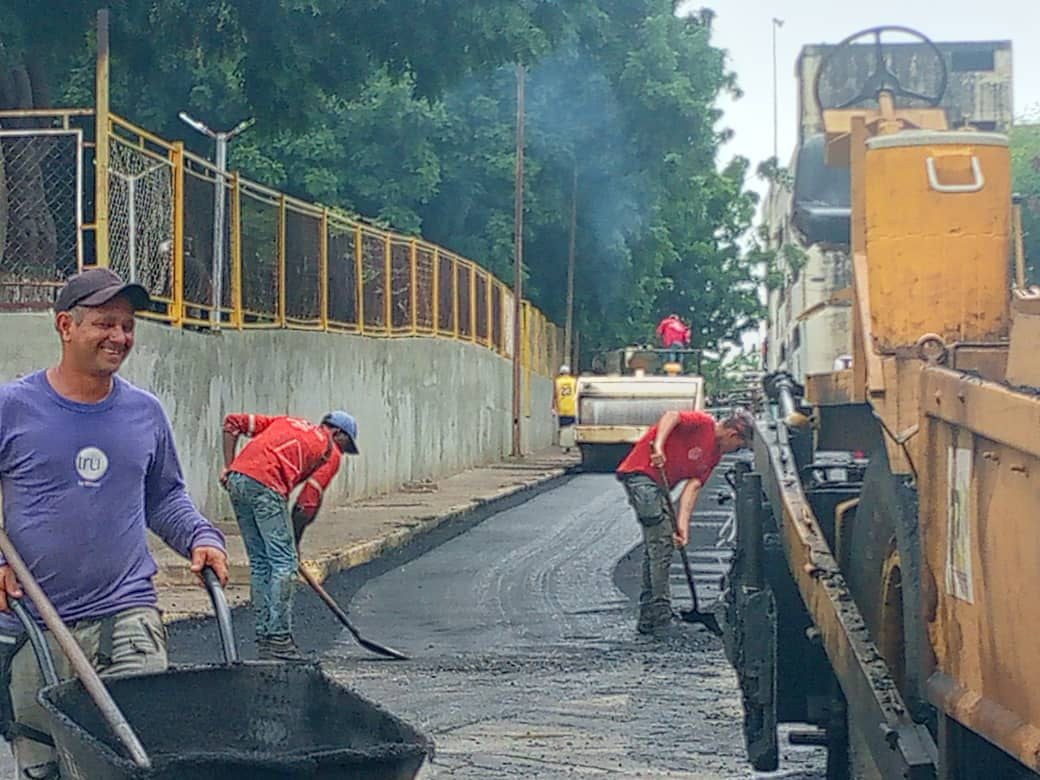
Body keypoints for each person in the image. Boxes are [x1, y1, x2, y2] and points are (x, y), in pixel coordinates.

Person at [0, 266, 229, 779]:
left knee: (132, 761)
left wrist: (200, 536)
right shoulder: (12, 408)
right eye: (105, 323)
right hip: (31, 627)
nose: (120, 337)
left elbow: (165, 497)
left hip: (124, 616)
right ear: (65, 326)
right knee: (42, 766)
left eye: (127, 326)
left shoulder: (144, 413)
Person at [221, 411, 359, 661]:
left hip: (238, 481)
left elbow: (232, 423)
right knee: (283, 564)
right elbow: (307, 502)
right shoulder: (329, 450)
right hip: (266, 485)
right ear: (337, 433)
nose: (344, 451)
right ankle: (279, 639)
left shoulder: (285, 422)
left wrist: (229, 468)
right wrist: (293, 543)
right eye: (346, 444)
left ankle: (265, 638)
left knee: (261, 563)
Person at [616, 408, 753, 634]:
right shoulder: (704, 424)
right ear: (733, 434)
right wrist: (658, 446)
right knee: (661, 542)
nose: (734, 451)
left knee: (659, 544)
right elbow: (672, 416)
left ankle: (649, 614)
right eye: (738, 446)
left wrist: (683, 525)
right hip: (641, 475)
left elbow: (694, 486)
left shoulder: (715, 455)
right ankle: (660, 611)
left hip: (659, 486)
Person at [552, 364, 578, 451]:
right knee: (571, 426)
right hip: (572, 407)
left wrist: (553, 407)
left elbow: (555, 395)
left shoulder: (557, 381)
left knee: (563, 426)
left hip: (561, 407)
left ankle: (563, 446)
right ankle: (570, 444)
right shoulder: (574, 381)